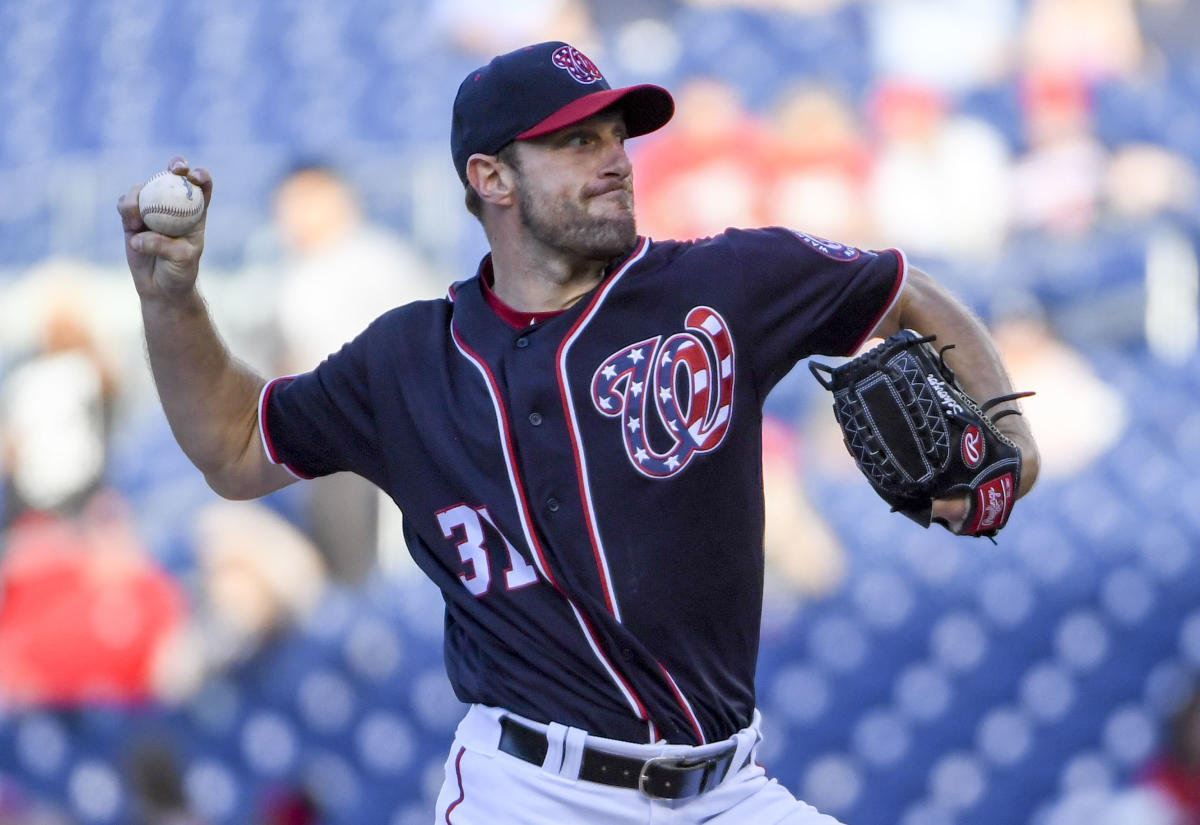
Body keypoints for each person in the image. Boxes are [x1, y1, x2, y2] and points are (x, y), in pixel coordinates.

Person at [117, 41, 1038, 825]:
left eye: (615, 136)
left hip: (727, 789)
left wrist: (1009, 433)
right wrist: (172, 301)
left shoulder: (722, 284)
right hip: (531, 791)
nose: (615, 159)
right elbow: (234, 445)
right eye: (574, 141)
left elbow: (902, 288)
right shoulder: (405, 361)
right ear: (491, 178)